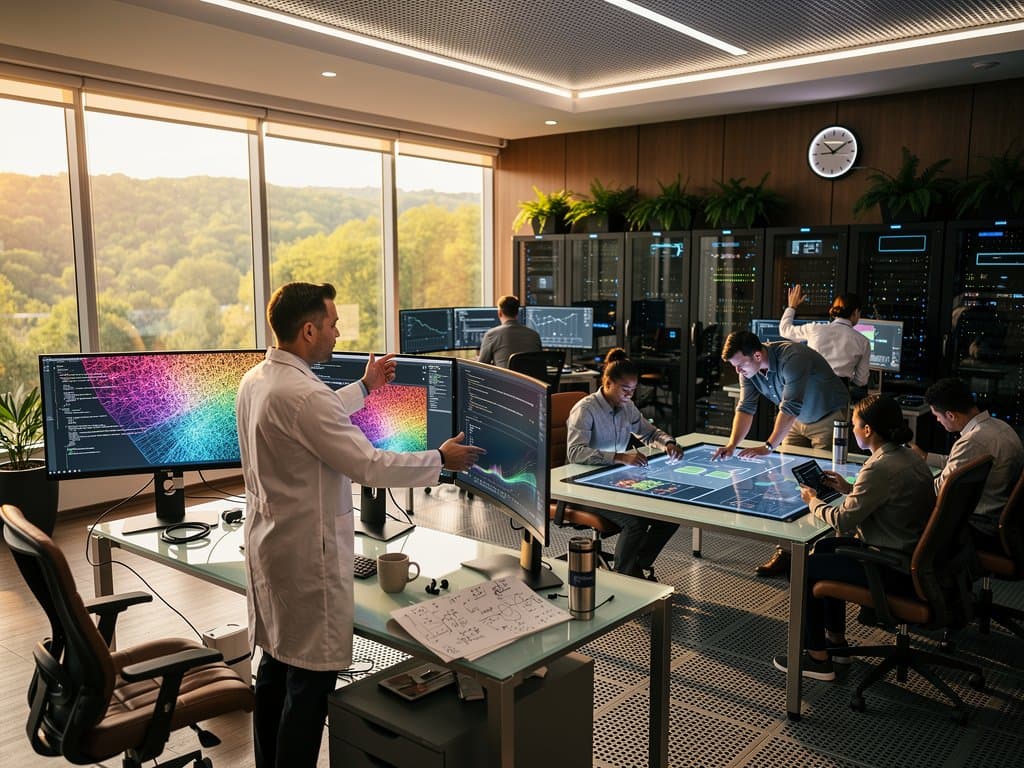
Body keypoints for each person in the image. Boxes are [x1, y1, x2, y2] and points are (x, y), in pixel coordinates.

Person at [236, 282, 485, 768]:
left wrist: (367, 388)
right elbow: (368, 465)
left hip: (270, 547)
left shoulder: (258, 380)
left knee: (273, 671)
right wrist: (441, 459)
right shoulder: (305, 395)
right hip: (308, 558)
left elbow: (313, 418)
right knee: (307, 687)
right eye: (331, 324)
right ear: (308, 330)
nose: (337, 332)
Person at [772, 394, 934, 681]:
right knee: (824, 547)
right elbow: (886, 498)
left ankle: (817, 659)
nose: (853, 429)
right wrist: (848, 488)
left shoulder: (878, 467)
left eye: (855, 424)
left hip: (888, 564)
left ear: (868, 430)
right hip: (909, 553)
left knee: (803, 568)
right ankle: (836, 641)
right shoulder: (909, 456)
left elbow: (843, 520)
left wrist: (812, 501)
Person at [712, 330, 850, 577]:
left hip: (827, 416)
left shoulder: (792, 357)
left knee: (825, 486)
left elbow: (791, 405)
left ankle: (823, 557)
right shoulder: (749, 370)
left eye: (740, 365)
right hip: (793, 422)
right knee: (785, 487)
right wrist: (732, 444)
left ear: (756, 355)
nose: (738, 371)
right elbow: (746, 407)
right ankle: (786, 553)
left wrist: (768, 446)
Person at [566, 347, 684, 579]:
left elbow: (648, 433)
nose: (630, 396)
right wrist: (619, 457)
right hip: (583, 486)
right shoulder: (586, 409)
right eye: (625, 390)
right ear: (608, 383)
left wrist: (668, 443)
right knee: (635, 524)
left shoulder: (627, 407)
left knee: (670, 516)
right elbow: (575, 452)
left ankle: (636, 563)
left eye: (633, 390)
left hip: (615, 481)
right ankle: (624, 575)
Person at [912, 377, 1024, 551]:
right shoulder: (1001, 427)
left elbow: (941, 490)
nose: (937, 421)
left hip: (979, 526)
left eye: (937, 416)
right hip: (1002, 520)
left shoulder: (973, 441)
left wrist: (904, 481)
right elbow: (958, 462)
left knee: (908, 517)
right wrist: (925, 457)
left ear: (950, 415)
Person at [779, 285, 871, 398]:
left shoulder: (815, 329)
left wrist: (792, 307)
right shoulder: (863, 342)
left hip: (809, 390)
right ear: (856, 312)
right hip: (838, 395)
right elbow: (861, 381)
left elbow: (784, 330)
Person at [477, 294, 542, 368]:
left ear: (500, 313)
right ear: (517, 312)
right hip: (529, 379)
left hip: (505, 379)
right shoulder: (534, 335)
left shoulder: (491, 335)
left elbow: (481, 366)